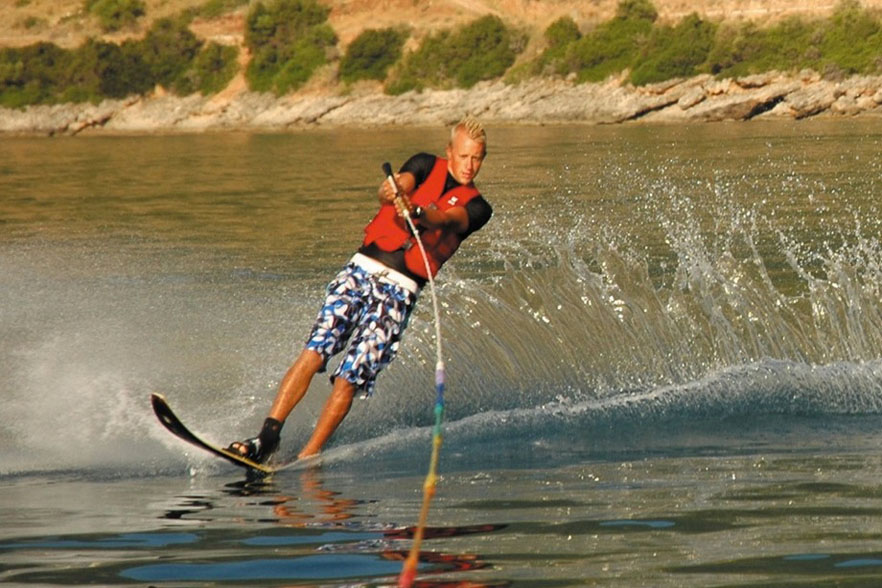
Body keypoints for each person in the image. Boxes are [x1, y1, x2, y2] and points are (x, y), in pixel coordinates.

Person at [228, 116, 493, 464]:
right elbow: (396, 185)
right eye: (464, 156)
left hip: (399, 292)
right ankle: (266, 439)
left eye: (477, 158)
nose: (470, 165)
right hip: (361, 271)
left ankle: (308, 456)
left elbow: (449, 219)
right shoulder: (425, 164)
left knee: (349, 378)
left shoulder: (479, 207)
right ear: (450, 151)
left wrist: (418, 212)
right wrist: (393, 192)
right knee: (315, 351)